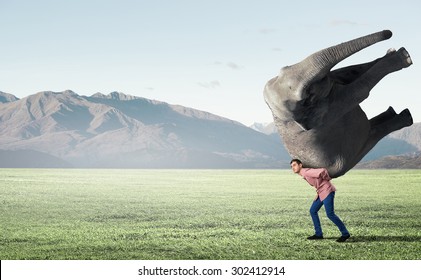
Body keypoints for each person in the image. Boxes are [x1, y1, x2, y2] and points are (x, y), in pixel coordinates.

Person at [290, 159, 351, 242]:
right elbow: (318, 183)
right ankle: (318, 234)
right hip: (321, 192)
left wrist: (328, 179)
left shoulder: (306, 172)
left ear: (300, 165)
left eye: (294, 165)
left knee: (330, 214)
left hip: (327, 191)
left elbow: (322, 171)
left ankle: (345, 234)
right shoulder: (304, 174)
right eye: (291, 166)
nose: (293, 168)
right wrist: (318, 193)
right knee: (313, 210)